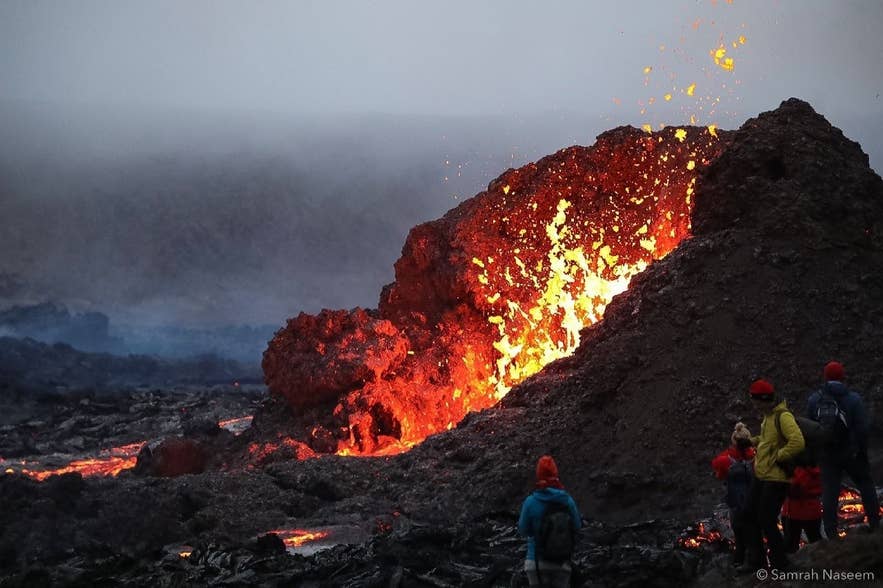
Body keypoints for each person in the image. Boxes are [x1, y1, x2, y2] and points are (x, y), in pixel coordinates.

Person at [738, 379, 804, 573]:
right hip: (762, 475)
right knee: (748, 515)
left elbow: (798, 441)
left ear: (763, 399)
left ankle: (781, 563)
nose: (754, 405)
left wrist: (779, 456)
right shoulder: (768, 417)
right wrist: (751, 441)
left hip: (776, 478)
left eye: (755, 401)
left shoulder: (783, 416)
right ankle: (757, 561)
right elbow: (767, 440)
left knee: (766, 519)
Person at [806, 361, 879, 537]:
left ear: (825, 377)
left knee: (830, 492)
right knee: (865, 484)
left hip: (827, 454)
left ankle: (831, 532)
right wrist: (861, 451)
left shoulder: (814, 400)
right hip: (851, 452)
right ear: (843, 377)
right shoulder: (853, 399)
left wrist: (816, 453)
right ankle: (875, 525)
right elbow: (862, 429)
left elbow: (811, 429)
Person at [518, 455, 581, 587]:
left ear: (538, 475)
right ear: (555, 473)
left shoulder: (531, 501)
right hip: (562, 563)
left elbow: (523, 530)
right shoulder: (567, 500)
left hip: (535, 562)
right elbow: (577, 526)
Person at [711, 422, 757, 567]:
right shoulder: (756, 456)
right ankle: (756, 561)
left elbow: (718, 471)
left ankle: (739, 562)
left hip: (736, 503)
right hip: (754, 501)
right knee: (754, 533)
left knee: (739, 535)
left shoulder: (725, 460)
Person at [781, 465, 823, 552]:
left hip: (795, 512)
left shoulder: (800, 471)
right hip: (812, 510)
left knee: (791, 545)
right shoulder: (815, 469)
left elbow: (793, 489)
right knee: (816, 541)